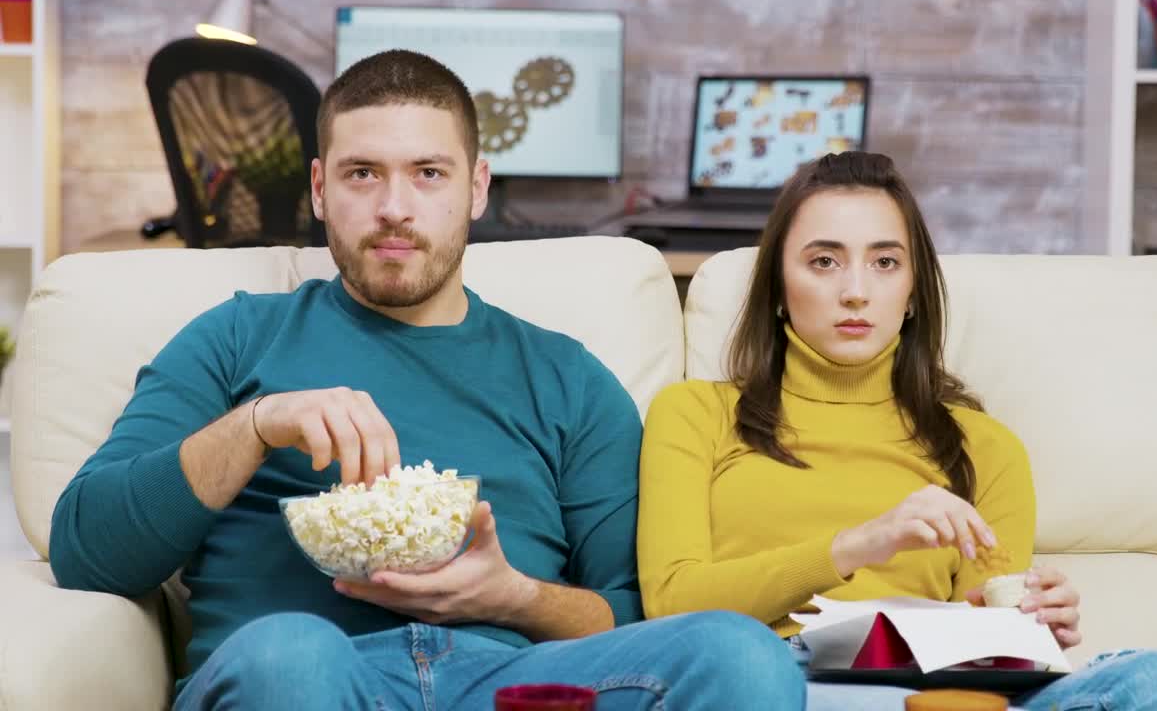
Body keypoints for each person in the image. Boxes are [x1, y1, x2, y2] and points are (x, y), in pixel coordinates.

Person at [48, 49, 803, 711]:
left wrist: (516, 598)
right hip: (305, 677)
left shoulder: (568, 378)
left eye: (428, 174)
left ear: (476, 188)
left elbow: (634, 613)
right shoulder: (237, 337)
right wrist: (256, 426)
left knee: (740, 653)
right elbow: (88, 551)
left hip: (508, 681)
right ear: (320, 188)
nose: (394, 209)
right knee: (290, 653)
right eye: (363, 174)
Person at [636, 151, 1157, 710]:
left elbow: (985, 645)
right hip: (777, 682)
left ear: (914, 291)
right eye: (824, 261)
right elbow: (672, 604)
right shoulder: (695, 414)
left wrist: (1029, 624)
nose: (856, 292)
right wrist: (858, 545)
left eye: (885, 262)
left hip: (929, 688)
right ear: (778, 290)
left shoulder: (983, 447)